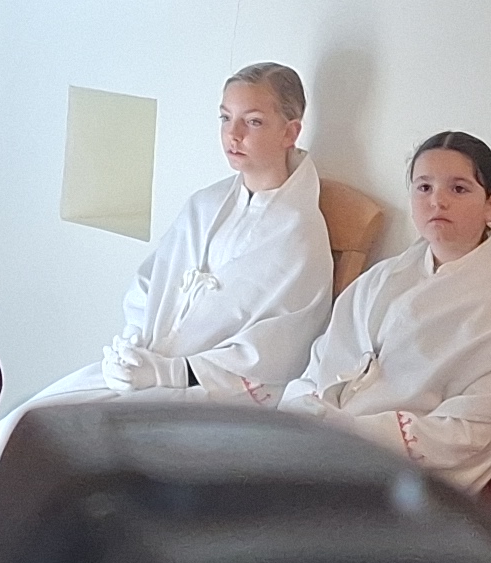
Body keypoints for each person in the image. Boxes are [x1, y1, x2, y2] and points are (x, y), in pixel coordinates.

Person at [17, 63, 332, 411]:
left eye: (253, 121)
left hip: (225, 395)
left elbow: (277, 351)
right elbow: (150, 284)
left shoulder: (299, 236)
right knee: (31, 416)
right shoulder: (205, 205)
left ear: (290, 132)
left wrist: (171, 372)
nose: (233, 134)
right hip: (152, 367)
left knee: (65, 428)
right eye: (225, 118)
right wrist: (133, 347)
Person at [276, 132, 491, 488]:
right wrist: (306, 418)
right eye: (424, 187)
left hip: (404, 486)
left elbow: (467, 432)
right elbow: (319, 366)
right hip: (326, 452)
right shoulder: (380, 280)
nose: (437, 201)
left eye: (458, 189)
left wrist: (350, 431)